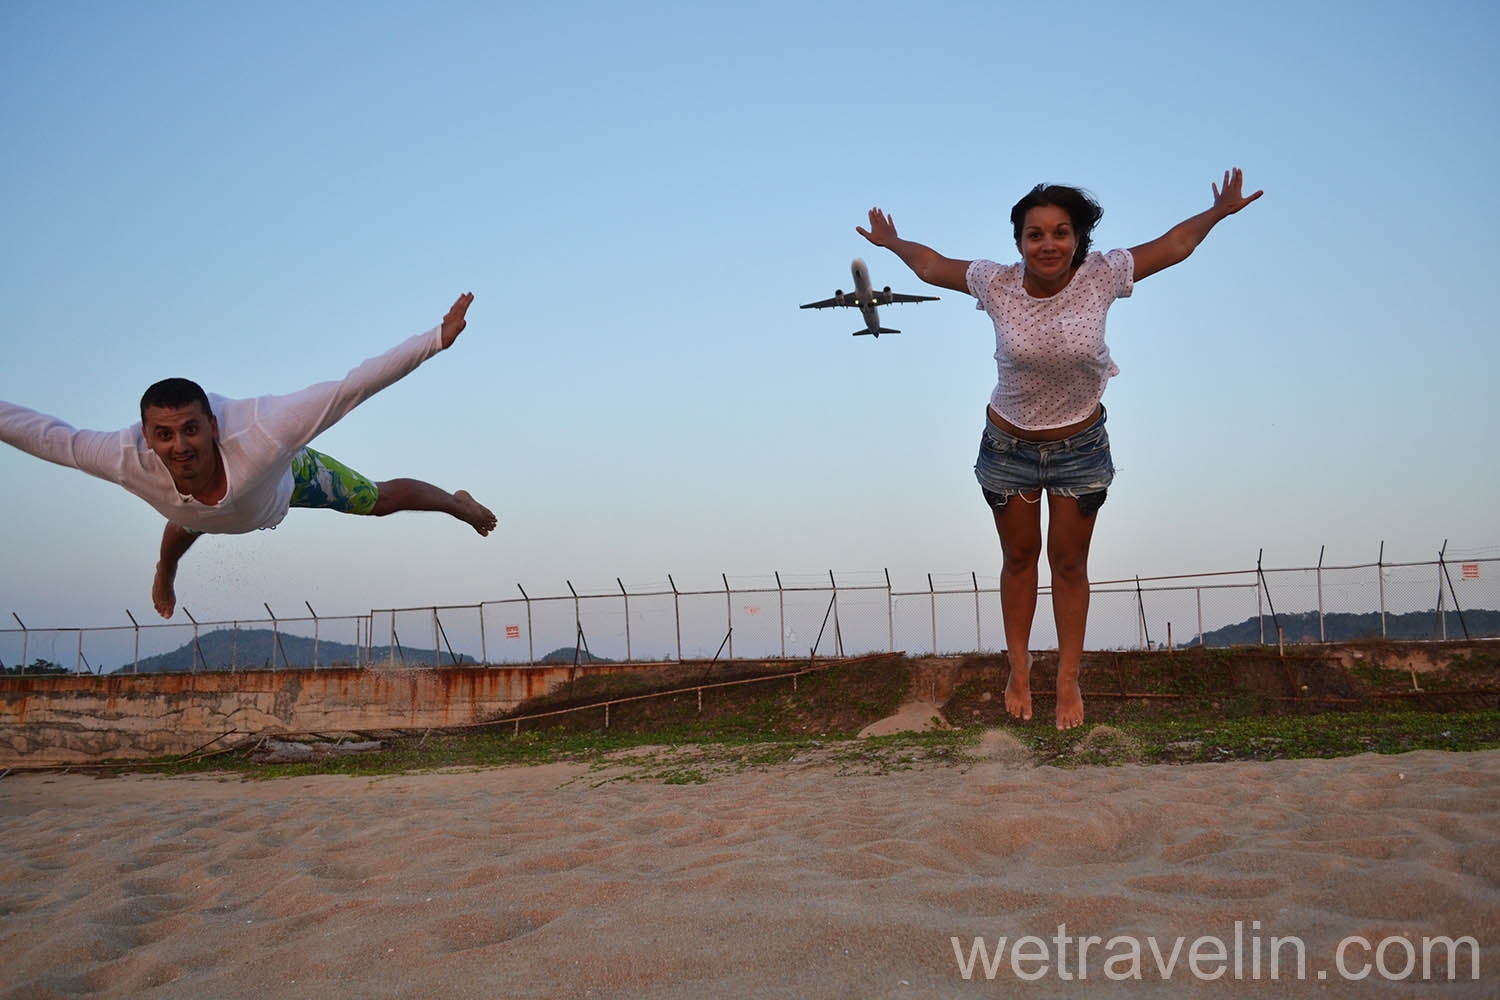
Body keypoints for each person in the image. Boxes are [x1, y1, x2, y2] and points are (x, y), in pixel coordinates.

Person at [858, 169, 1262, 730]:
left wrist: (1217, 212)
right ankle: (1019, 670)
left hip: (1080, 447)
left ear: (1077, 240)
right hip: (1008, 446)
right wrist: (891, 243)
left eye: (1060, 232)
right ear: (1019, 242)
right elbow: (931, 266)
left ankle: (1067, 678)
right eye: (1035, 234)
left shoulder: (1102, 274)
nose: (1048, 244)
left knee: (1069, 564)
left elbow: (1175, 245)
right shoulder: (995, 283)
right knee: (1019, 561)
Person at [0, 292, 497, 619]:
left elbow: (352, 387)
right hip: (202, 511)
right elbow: (48, 437)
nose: (181, 446)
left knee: (379, 500)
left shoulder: (266, 433)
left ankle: (458, 504)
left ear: (212, 426)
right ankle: (164, 573)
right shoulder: (124, 457)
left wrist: (435, 340)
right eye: (165, 435)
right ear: (148, 438)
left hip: (288, 481)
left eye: (192, 430)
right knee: (183, 521)